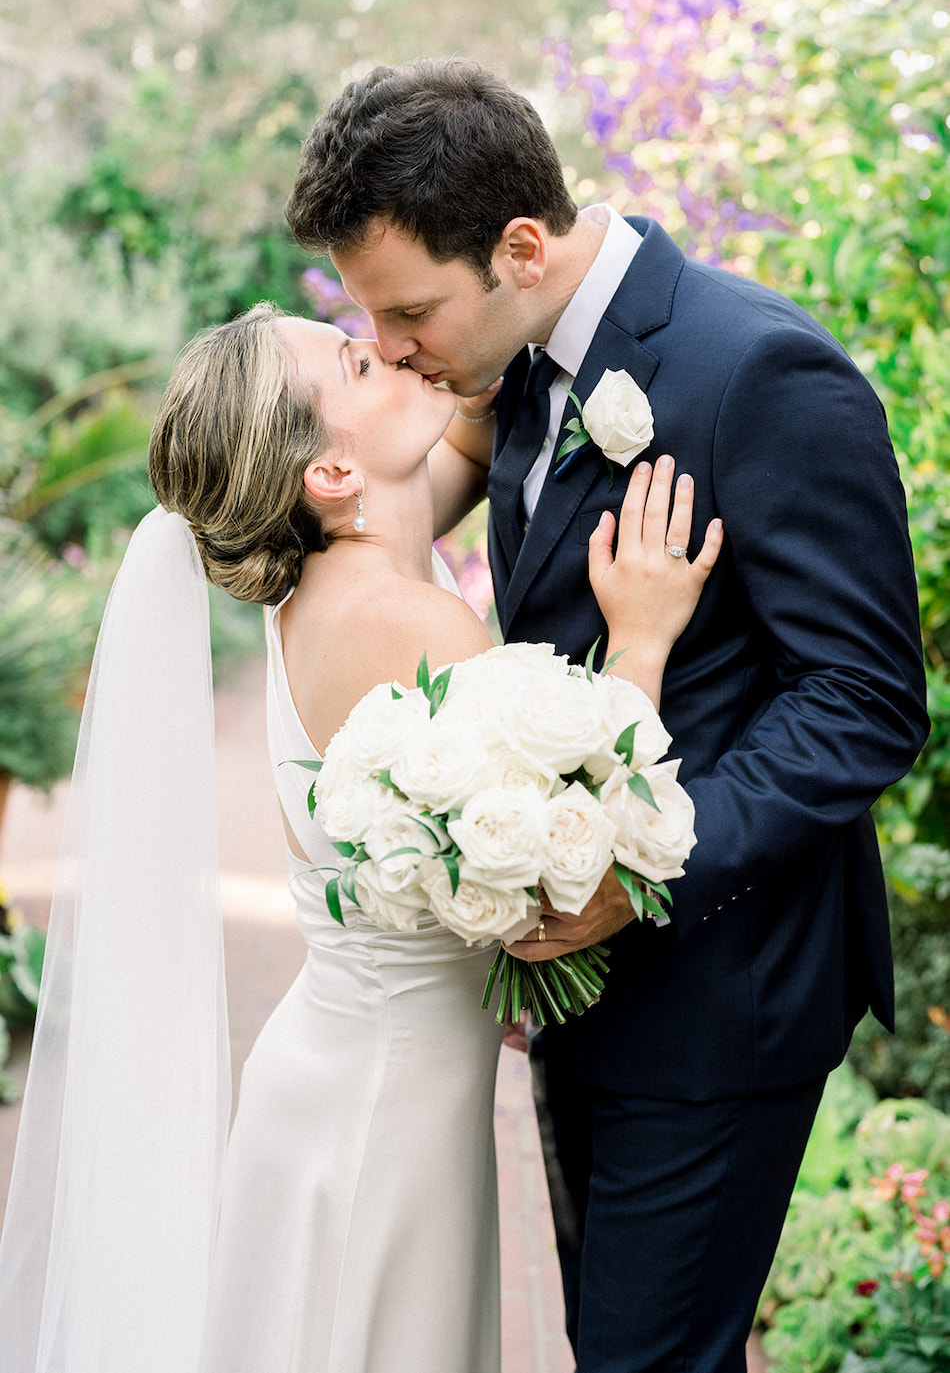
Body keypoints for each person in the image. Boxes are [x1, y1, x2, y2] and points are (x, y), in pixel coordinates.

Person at [284, 57, 931, 1371]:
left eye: (407, 310)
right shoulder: (512, 360)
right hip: (576, 995)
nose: (396, 347)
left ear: (521, 245)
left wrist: (634, 875)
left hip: (714, 990)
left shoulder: (762, 377)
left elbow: (864, 702)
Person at [0, 300, 721, 1373]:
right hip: (382, 1110)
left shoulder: (330, 572)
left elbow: (444, 454)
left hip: (345, 1075)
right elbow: (571, 853)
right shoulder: (407, 621)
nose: (384, 344)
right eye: (353, 358)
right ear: (330, 476)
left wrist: (488, 340)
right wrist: (643, 638)